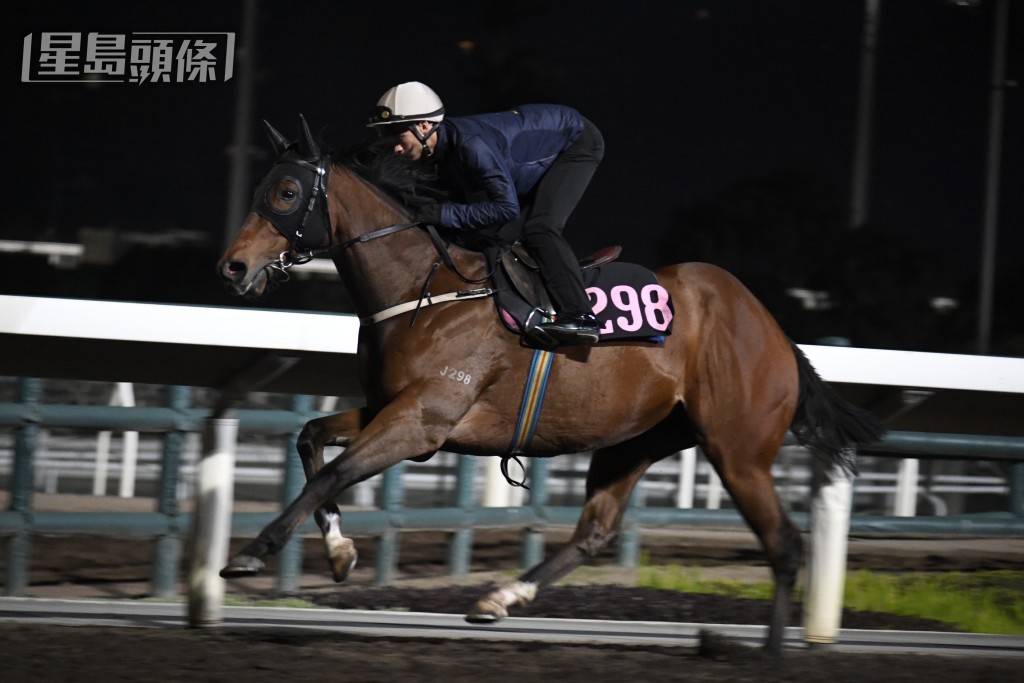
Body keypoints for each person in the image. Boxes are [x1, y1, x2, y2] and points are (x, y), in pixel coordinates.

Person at [366, 81, 605, 345]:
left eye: (398, 138)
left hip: (576, 142)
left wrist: (443, 214)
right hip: (528, 161)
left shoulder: (471, 146)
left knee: (539, 227)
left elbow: (505, 207)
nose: (395, 149)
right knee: (493, 237)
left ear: (424, 126)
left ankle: (581, 315)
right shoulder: (436, 152)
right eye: (388, 139)